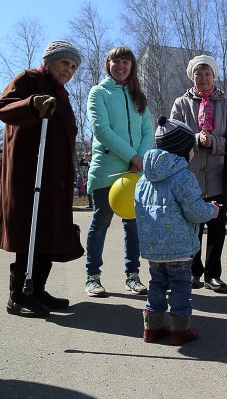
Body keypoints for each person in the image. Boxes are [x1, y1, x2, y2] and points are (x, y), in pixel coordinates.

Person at [0, 40, 82, 317]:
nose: (69, 70)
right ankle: (18, 295)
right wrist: (32, 103)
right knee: (28, 231)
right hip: (29, 173)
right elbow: (1, 107)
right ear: (50, 60)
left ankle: (38, 290)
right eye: (65, 63)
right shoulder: (28, 79)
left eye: (74, 66)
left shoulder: (62, 94)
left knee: (47, 231)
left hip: (56, 176)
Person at [135, 116, 219, 345]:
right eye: (191, 148)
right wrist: (211, 211)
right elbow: (194, 211)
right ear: (183, 150)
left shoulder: (143, 179)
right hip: (179, 247)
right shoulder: (183, 176)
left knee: (157, 284)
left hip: (153, 247)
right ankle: (180, 330)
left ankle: (151, 329)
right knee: (180, 287)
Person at [84, 46, 153, 297]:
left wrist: (141, 159)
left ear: (132, 67)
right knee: (101, 222)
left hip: (136, 173)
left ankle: (132, 275)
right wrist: (132, 156)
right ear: (108, 64)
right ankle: (93, 276)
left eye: (126, 61)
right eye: (116, 61)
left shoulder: (139, 97)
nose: (121, 66)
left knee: (133, 225)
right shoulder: (98, 93)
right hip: (107, 170)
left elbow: (148, 131)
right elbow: (101, 130)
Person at [170, 54, 227, 293]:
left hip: (218, 177)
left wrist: (215, 142)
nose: (203, 78)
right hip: (188, 177)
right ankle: (193, 272)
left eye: (207, 74)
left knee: (217, 228)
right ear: (192, 76)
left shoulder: (226, 104)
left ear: (214, 76)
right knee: (192, 228)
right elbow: (172, 136)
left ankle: (213, 274)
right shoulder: (181, 103)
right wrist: (196, 140)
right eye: (198, 74)